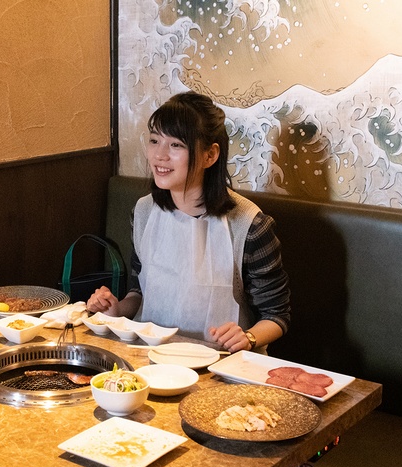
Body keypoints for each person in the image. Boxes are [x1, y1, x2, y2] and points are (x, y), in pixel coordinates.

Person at [86, 91, 290, 353]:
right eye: (154, 140)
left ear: (210, 155)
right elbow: (140, 292)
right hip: (150, 356)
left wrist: (248, 337)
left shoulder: (248, 225)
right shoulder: (144, 211)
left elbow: (277, 315)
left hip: (220, 361)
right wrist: (115, 309)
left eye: (176, 145)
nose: (160, 155)